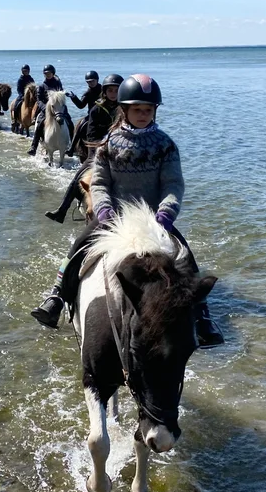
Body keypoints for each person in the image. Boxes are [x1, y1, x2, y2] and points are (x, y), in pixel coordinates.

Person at [30, 74, 224, 348]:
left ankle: (202, 315)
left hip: (154, 219)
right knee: (78, 246)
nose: (143, 115)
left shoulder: (165, 145)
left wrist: (166, 213)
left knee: (186, 259)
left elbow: (173, 184)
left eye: (148, 110)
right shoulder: (109, 143)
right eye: (137, 110)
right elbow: (99, 183)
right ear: (125, 110)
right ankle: (57, 296)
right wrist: (104, 209)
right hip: (115, 216)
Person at [45, 74, 123, 223]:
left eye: (116, 90)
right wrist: (100, 151)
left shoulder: (125, 109)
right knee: (78, 176)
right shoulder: (96, 110)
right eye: (110, 90)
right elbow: (91, 136)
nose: (113, 94)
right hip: (99, 151)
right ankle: (62, 210)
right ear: (105, 92)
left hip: (121, 150)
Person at [26, 64, 70, 156]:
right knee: (39, 124)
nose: (47, 75)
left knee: (69, 121)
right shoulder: (42, 86)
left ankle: (72, 146)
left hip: (58, 108)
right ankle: (33, 146)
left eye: (49, 73)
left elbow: (61, 97)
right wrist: (46, 108)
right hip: (46, 109)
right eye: (46, 73)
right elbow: (39, 100)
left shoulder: (58, 84)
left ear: (53, 73)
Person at [65, 71, 103, 156]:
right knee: (80, 126)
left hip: (105, 114)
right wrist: (74, 98)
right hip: (92, 116)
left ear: (97, 80)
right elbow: (81, 105)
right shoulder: (87, 93)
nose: (91, 83)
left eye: (92, 81)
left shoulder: (103, 90)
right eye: (88, 82)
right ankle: (72, 148)